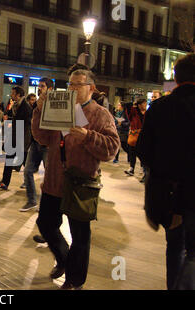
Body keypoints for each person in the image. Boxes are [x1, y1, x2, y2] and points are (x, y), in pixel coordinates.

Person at [32, 69, 120, 289]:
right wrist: (38, 111)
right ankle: (64, 259)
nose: (71, 89)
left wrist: (89, 136)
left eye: (77, 85)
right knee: (45, 223)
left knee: (81, 236)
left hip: (81, 184)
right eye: (70, 84)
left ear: (90, 87)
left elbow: (112, 149)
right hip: (54, 181)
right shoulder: (59, 108)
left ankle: (74, 279)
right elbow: (42, 137)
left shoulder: (100, 114)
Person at [137, 53, 195, 290]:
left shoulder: (159, 107)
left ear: (175, 77)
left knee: (174, 247)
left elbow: (143, 150)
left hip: (169, 193)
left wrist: (161, 170)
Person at [19, 78, 51, 212]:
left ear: (50, 89)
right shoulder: (36, 104)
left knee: (49, 176)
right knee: (27, 171)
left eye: (42, 86)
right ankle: (31, 200)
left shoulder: (54, 104)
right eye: (39, 86)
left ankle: (47, 204)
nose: (39, 89)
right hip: (35, 142)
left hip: (48, 145)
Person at [0, 86, 32, 190]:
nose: (11, 95)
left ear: (18, 95)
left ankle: (28, 182)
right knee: (10, 159)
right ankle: (4, 183)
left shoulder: (25, 106)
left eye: (13, 93)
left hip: (22, 138)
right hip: (15, 137)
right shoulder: (16, 105)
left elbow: (26, 123)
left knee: (25, 162)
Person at [124, 98, 147, 182]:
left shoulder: (148, 113)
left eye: (145, 103)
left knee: (142, 152)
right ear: (139, 105)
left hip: (144, 135)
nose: (145, 105)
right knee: (132, 151)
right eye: (144, 103)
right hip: (134, 135)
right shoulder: (134, 112)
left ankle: (142, 168)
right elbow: (127, 105)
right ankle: (131, 168)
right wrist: (134, 103)